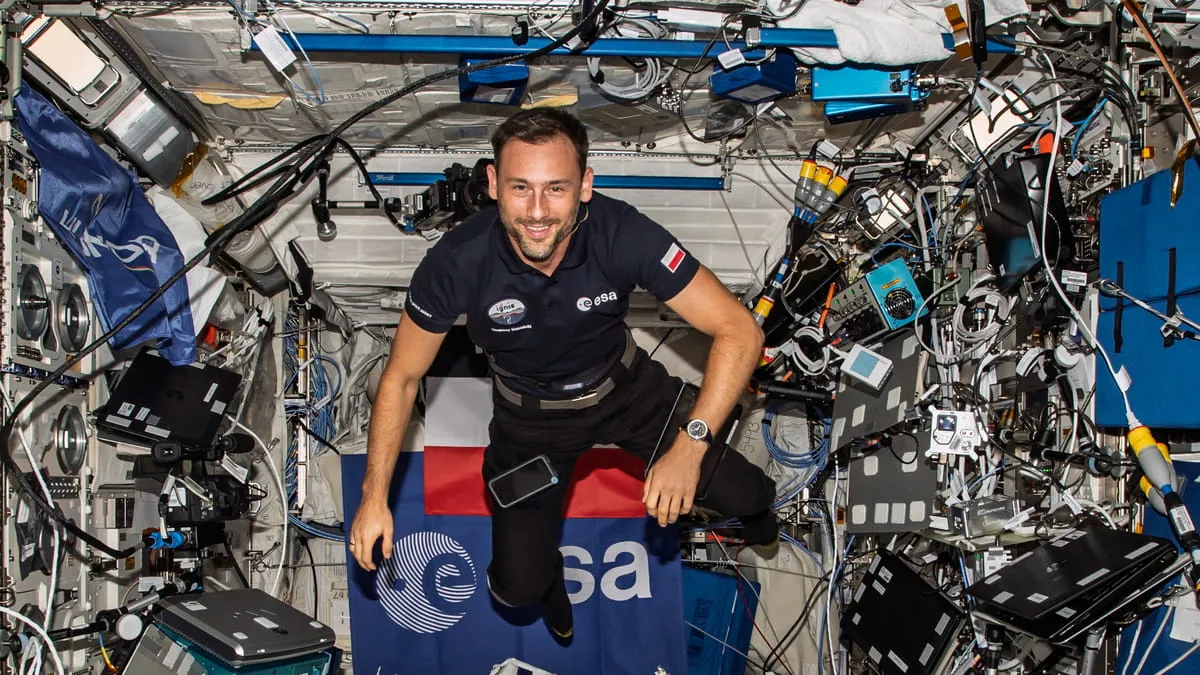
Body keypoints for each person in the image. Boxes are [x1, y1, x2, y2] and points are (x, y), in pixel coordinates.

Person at [348, 107, 778, 643]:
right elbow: (400, 379)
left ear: (585, 186)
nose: (536, 211)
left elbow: (740, 331)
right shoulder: (457, 261)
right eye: (519, 188)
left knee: (747, 492)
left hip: (628, 393)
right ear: (493, 185)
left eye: (556, 189)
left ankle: (758, 516)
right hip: (530, 425)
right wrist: (373, 497)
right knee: (516, 590)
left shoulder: (623, 233)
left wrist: (690, 448)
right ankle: (548, 578)